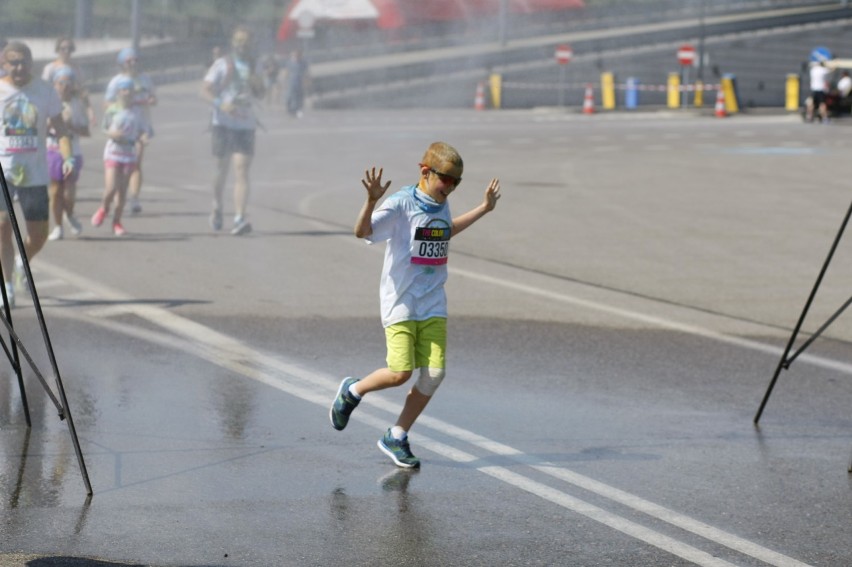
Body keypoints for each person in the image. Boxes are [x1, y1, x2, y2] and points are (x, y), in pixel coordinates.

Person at [329, 141, 501, 468]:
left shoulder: (440, 201)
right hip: (401, 301)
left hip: (433, 301)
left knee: (434, 373)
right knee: (399, 373)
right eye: (447, 179)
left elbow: (444, 232)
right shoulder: (402, 204)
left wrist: (483, 209)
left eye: (457, 182)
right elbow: (361, 231)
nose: (450, 188)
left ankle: (396, 435)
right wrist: (370, 201)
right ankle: (353, 390)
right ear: (425, 172)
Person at [0, 41, 73, 307]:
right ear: (3, 64)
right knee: (2, 226)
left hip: (34, 173)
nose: (19, 67)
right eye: (13, 62)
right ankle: (6, 286)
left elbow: (60, 129)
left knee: (39, 235)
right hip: (3, 170)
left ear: (31, 63)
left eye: (23, 62)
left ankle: (23, 261)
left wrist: (68, 156)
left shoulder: (44, 90)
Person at [201, 25, 265, 236]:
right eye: (238, 41)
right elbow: (205, 89)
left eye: (245, 41)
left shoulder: (255, 65)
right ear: (232, 42)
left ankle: (239, 217)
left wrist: (257, 83)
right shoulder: (223, 64)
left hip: (245, 125)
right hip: (223, 123)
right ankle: (217, 205)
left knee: (241, 169)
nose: (241, 45)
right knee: (221, 169)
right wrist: (220, 103)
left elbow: (261, 93)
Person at [92, 76, 147, 237]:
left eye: (129, 89)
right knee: (111, 188)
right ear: (118, 92)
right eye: (123, 89)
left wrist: (143, 137)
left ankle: (117, 222)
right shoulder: (112, 109)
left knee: (122, 192)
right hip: (113, 152)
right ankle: (103, 208)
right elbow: (104, 129)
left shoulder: (137, 111)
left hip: (129, 154)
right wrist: (112, 133)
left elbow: (143, 130)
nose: (127, 92)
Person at [104, 47, 156, 214]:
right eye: (129, 61)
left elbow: (154, 98)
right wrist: (121, 105)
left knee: (137, 162)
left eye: (135, 60)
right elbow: (106, 103)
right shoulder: (116, 81)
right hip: (122, 127)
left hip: (141, 125)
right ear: (122, 64)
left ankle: (134, 198)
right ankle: (117, 195)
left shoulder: (145, 80)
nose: (133, 63)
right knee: (121, 165)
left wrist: (151, 100)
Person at [47, 66, 89, 241]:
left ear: (73, 85)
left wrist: (69, 125)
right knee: (56, 192)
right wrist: (51, 124)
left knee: (69, 193)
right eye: (60, 82)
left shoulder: (77, 104)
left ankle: (70, 214)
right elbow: (38, 128)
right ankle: (57, 226)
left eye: (68, 82)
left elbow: (86, 131)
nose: (64, 86)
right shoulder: (47, 102)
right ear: (54, 84)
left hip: (73, 151)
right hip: (52, 151)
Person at [41, 36, 96, 127]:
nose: (66, 51)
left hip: (73, 106)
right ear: (57, 49)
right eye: (63, 49)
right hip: (54, 105)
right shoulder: (50, 68)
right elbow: (43, 91)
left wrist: (90, 112)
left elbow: (83, 91)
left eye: (69, 49)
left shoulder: (77, 69)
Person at [283, 49, 310, 118]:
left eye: (298, 55)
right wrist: (285, 82)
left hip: (300, 82)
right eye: (295, 55)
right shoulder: (290, 62)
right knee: (289, 97)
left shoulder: (303, 63)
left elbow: (306, 73)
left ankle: (297, 110)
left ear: (300, 56)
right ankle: (290, 109)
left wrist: (307, 82)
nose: (296, 57)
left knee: (299, 97)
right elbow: (286, 72)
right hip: (291, 82)